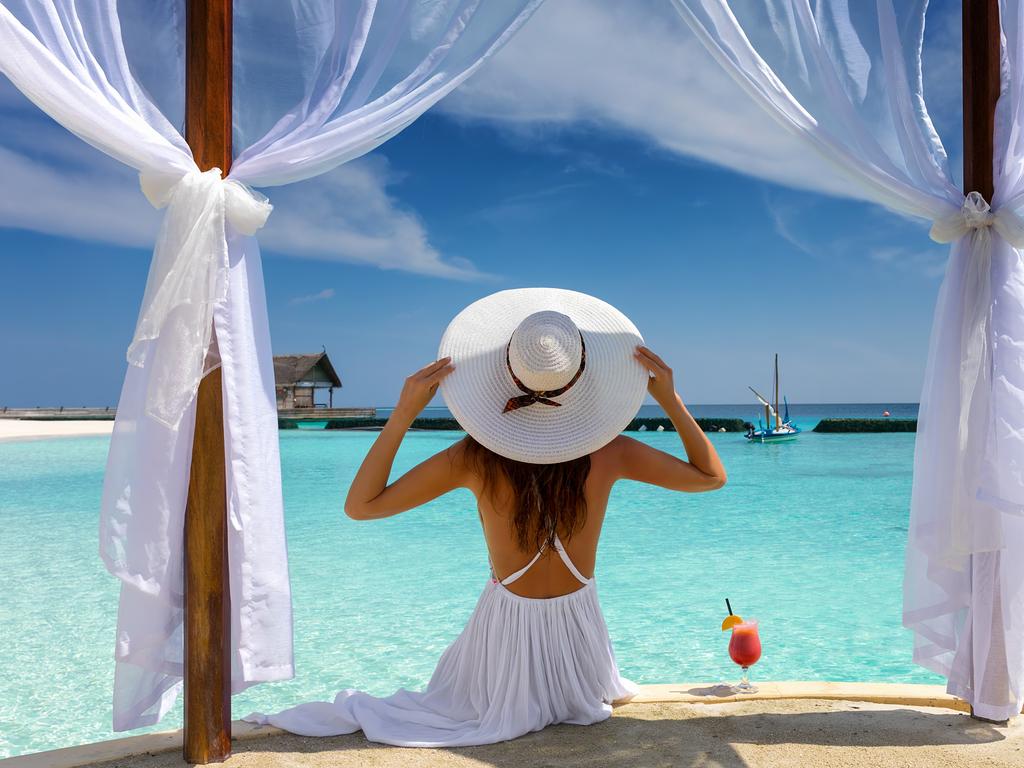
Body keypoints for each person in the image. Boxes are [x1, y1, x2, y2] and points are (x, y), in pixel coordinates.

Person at [245, 288, 727, 747]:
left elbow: (361, 506)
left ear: (507, 374)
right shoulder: (611, 451)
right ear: (580, 378)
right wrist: (669, 399)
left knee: (439, 709)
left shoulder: (476, 457)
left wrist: (404, 415)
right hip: (582, 648)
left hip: (504, 646)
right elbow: (710, 476)